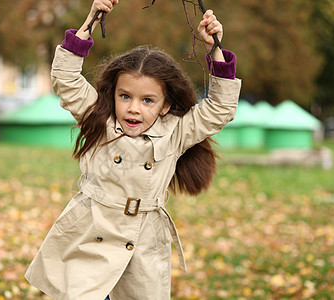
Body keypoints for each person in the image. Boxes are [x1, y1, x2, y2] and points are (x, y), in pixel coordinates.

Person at [25, 0, 241, 299]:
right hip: (91, 232)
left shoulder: (177, 131)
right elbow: (66, 79)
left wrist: (214, 49)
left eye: (147, 100)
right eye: (124, 96)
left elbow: (220, 108)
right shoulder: (99, 118)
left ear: (166, 105)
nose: (133, 109)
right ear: (113, 94)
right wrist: (90, 22)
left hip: (143, 239)